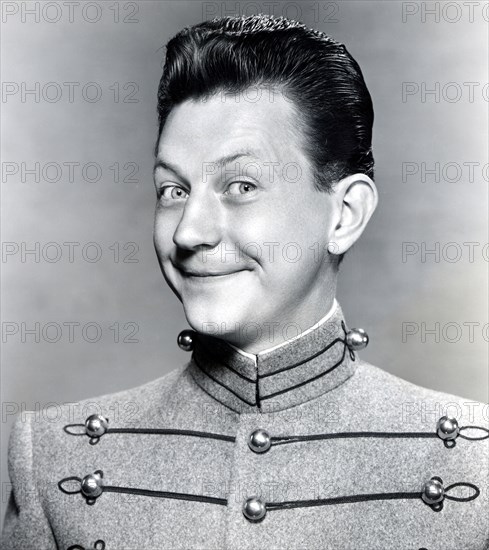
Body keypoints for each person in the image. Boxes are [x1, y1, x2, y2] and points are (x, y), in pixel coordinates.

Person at [2, 14, 488, 550]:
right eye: (173, 190)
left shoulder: (475, 462)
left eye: (240, 185)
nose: (189, 232)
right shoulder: (52, 459)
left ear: (345, 214)